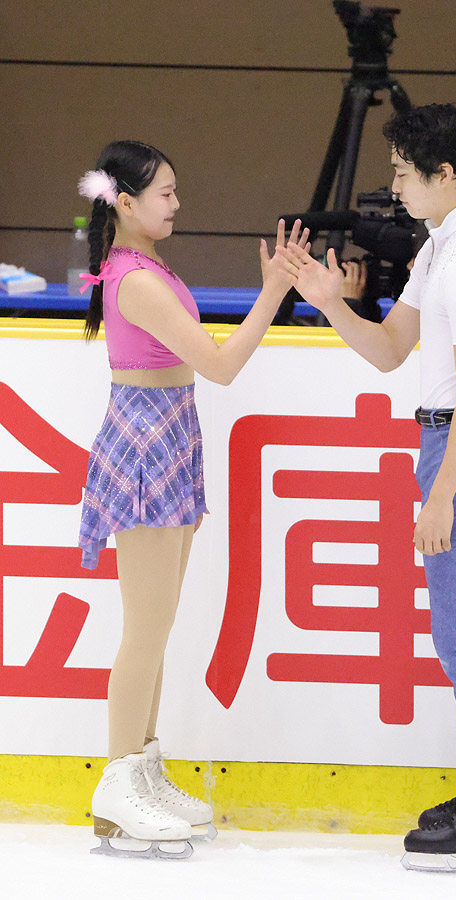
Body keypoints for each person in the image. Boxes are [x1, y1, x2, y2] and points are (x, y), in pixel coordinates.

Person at [277, 104, 456, 873]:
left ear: (444, 174)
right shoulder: (439, 251)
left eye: (401, 171)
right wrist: (331, 303)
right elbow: (392, 349)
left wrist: (442, 494)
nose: (392, 184)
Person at [76, 140, 306, 859]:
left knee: (158, 623)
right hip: (146, 446)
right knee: (144, 629)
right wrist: (274, 290)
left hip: (168, 437)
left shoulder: (147, 265)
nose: (177, 203)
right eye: (166, 192)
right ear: (126, 202)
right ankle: (116, 782)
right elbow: (221, 366)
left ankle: (139, 769)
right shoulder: (135, 279)